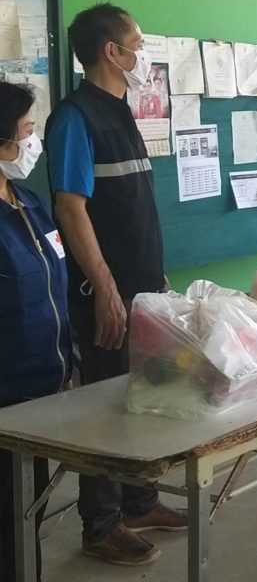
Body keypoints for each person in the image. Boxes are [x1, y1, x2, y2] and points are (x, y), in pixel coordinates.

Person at [45, 4, 185, 567]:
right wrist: (104, 287)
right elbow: (70, 208)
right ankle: (100, 525)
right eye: (138, 44)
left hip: (142, 287)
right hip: (104, 293)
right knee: (104, 406)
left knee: (143, 398)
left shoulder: (121, 111)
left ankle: (138, 501)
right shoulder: (75, 117)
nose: (143, 54)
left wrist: (154, 274)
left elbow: (132, 206)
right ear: (112, 51)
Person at [0, 82, 73, 582]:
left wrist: (70, 359)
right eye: (26, 132)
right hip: (6, 394)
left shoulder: (27, 201)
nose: (33, 143)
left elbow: (53, 282)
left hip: (44, 389)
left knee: (28, 516)